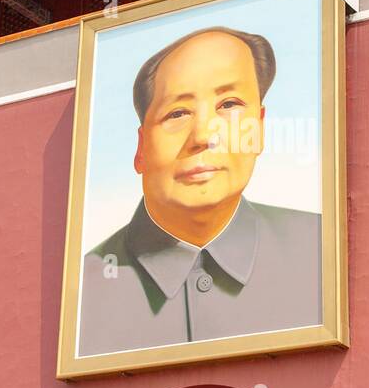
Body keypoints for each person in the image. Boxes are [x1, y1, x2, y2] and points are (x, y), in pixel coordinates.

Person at [78, 27, 321, 356]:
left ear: (259, 128)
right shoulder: (83, 292)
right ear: (140, 148)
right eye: (177, 113)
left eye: (229, 104)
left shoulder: (321, 251)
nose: (204, 136)